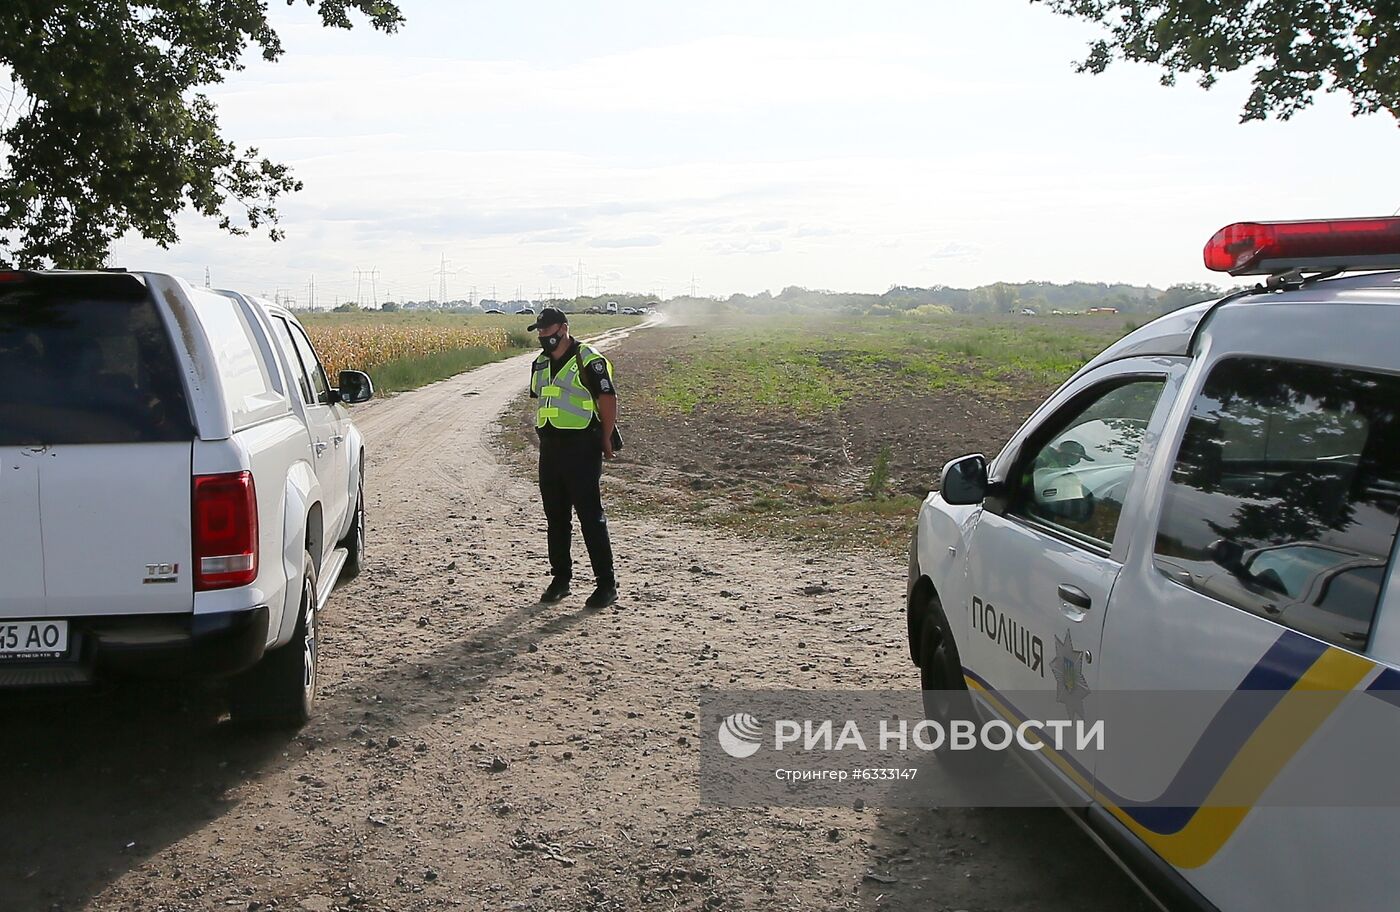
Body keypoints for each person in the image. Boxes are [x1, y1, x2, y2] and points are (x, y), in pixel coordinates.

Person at [527, 307, 619, 608]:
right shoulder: (540, 363)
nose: (543, 336)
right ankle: (561, 579)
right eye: (539, 331)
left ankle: (606, 585)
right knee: (556, 518)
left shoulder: (588, 358)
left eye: (547, 330)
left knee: (590, 517)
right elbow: (542, 399)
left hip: (582, 445)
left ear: (563, 328)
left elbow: (607, 398)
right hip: (551, 447)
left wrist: (605, 437)